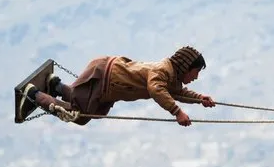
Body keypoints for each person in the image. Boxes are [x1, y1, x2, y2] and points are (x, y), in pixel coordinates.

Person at [18, 46, 216, 126]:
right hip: (104, 77)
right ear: (186, 67)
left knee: (92, 111)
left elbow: (177, 92)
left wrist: (199, 99)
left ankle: (56, 86)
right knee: (80, 116)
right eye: (196, 72)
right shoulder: (162, 71)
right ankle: (33, 94)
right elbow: (156, 89)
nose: (196, 77)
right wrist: (177, 112)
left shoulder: (171, 75)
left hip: (106, 78)